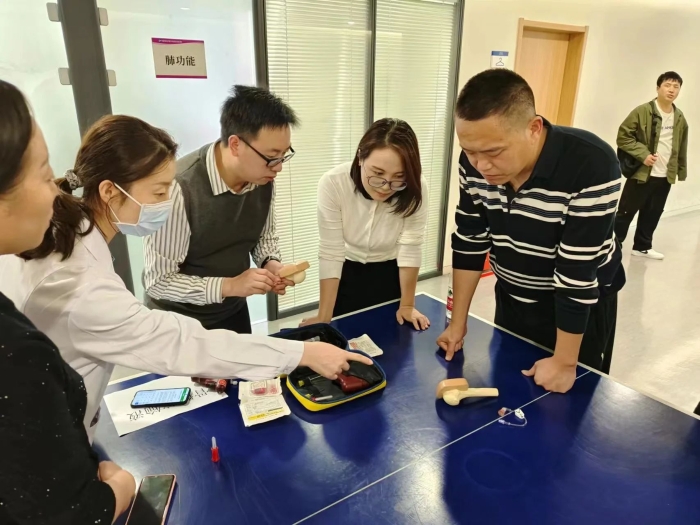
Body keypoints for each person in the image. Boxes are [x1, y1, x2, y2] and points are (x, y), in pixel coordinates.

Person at [0, 114, 371, 438]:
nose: (167, 203)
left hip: (62, 415)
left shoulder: (70, 234)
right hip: (49, 433)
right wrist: (303, 352)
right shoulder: (79, 285)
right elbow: (183, 343)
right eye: (159, 192)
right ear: (110, 192)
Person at [437, 69, 625, 394]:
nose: (481, 165)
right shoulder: (474, 162)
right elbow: (470, 240)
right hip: (513, 296)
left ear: (534, 129)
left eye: (494, 152)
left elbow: (577, 273)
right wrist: (457, 323)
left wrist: (565, 362)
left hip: (579, 308)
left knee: (567, 407)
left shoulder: (592, 163)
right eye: (469, 151)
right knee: (508, 392)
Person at [0, 80, 135, 524]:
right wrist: (118, 490)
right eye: (44, 175)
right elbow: (67, 513)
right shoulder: (18, 353)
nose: (56, 190)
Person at [143, 85, 297, 333]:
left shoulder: (262, 177)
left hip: (231, 310)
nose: (278, 167)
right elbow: (159, 281)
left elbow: (263, 236)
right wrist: (230, 285)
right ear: (235, 144)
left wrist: (271, 264)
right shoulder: (178, 188)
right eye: (272, 156)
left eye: (283, 155)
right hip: (177, 321)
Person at [300, 118, 430, 330]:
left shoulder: (416, 187)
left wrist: (407, 305)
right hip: (346, 272)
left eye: (399, 177)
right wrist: (324, 316)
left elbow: (410, 245)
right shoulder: (334, 183)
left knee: (393, 338)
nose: (386, 187)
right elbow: (332, 251)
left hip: (391, 272)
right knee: (343, 339)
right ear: (360, 157)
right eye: (377, 174)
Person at [614, 71, 689, 260]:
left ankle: (642, 246)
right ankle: (612, 247)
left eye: (676, 86)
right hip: (642, 173)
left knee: (653, 212)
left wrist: (680, 170)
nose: (672, 90)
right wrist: (643, 155)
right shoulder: (643, 111)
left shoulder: (679, 117)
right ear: (658, 88)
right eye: (667, 85)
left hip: (665, 175)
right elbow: (623, 137)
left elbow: (681, 145)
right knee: (626, 212)